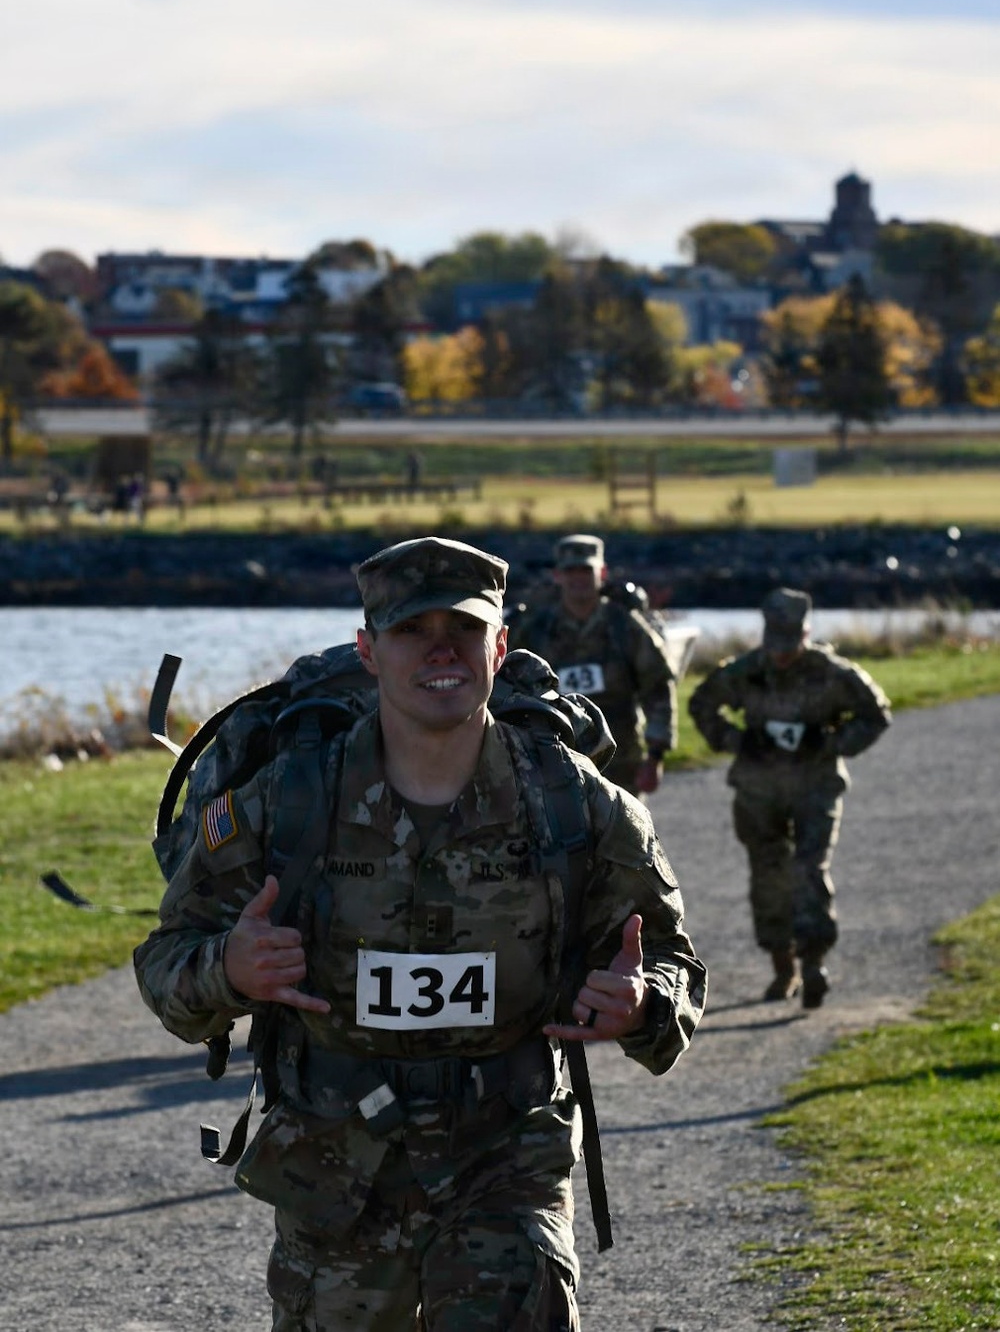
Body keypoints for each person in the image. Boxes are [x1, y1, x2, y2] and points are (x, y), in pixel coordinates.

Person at [134, 535, 706, 1332]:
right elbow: (166, 962)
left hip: (507, 1155)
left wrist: (644, 1003)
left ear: (500, 646)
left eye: (464, 629)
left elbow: (672, 955)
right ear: (369, 650)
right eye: (411, 630)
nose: (441, 649)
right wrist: (228, 969)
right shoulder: (288, 803)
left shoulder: (573, 802)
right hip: (335, 1167)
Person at [687, 587, 892, 1009]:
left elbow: (876, 715)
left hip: (815, 787)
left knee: (809, 869)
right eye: (775, 642)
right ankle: (783, 966)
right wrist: (739, 740)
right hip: (758, 791)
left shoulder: (832, 673)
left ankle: (814, 961)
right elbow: (702, 704)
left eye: (791, 641)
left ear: (806, 632)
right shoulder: (745, 672)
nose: (782, 653)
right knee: (768, 874)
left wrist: (832, 742)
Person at [507, 533, 678, 797]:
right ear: (557, 575)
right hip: (553, 762)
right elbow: (510, 689)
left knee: (624, 836)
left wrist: (655, 755)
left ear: (603, 572)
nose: (578, 578)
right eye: (570, 570)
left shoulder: (625, 626)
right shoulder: (536, 630)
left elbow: (657, 687)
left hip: (622, 761)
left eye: (586, 570)